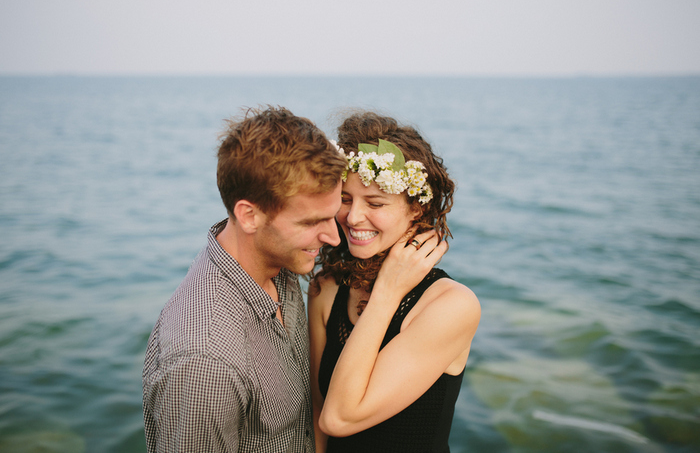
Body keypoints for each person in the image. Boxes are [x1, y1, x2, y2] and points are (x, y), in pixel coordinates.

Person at [142, 106, 347, 452]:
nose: (334, 237)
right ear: (249, 215)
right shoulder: (206, 363)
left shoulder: (276, 263)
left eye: (333, 215)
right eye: (312, 223)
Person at [309, 111, 481, 453]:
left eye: (375, 202)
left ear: (416, 209)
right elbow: (317, 416)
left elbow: (339, 417)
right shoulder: (326, 289)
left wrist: (387, 292)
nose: (354, 216)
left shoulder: (451, 306)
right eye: (345, 198)